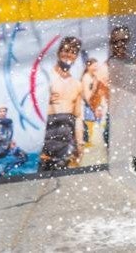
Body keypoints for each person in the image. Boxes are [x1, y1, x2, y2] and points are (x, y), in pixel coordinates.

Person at [38, 37, 85, 172]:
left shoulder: (77, 84)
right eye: (65, 50)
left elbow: (78, 118)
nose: (68, 55)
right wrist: (44, 99)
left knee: (60, 181)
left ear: (76, 56)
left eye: (73, 52)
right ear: (58, 52)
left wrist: (80, 144)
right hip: (45, 141)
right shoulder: (46, 78)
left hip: (64, 144)